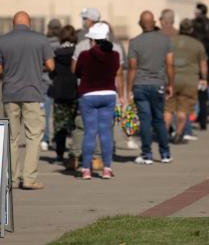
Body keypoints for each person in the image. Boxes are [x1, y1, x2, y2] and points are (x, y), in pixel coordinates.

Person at [0, 11, 54, 190]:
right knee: (33, 136)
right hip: (33, 92)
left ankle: (11, 179)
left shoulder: (2, 41)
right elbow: (51, 65)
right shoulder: (40, 39)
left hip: (10, 94)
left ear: (13, 23)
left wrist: (10, 69)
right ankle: (29, 178)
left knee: (12, 137)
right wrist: (36, 65)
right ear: (30, 23)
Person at [74, 22, 122, 179]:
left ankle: (86, 169)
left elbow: (78, 73)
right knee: (106, 132)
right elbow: (116, 71)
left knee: (90, 132)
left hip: (88, 95)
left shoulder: (84, 56)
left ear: (93, 40)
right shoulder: (115, 55)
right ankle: (107, 168)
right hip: (108, 94)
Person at [127, 11, 174, 165]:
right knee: (159, 119)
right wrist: (171, 84)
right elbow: (169, 64)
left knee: (145, 121)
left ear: (140, 24)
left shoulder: (134, 42)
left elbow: (132, 68)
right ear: (154, 22)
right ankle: (165, 153)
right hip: (158, 84)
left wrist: (129, 89)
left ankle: (147, 155)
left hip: (140, 84)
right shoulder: (164, 40)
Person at [164, 19, 208, 144]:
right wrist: (204, 78)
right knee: (183, 109)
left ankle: (164, 135)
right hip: (189, 80)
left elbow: (164, 60)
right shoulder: (197, 44)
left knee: (167, 109)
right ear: (191, 30)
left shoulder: (170, 41)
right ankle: (178, 134)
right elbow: (203, 65)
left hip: (171, 79)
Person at [50, 25, 77, 162]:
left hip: (59, 90)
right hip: (75, 90)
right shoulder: (77, 51)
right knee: (75, 124)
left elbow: (51, 71)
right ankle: (74, 153)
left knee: (60, 124)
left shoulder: (56, 52)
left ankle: (60, 154)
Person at [41, 18, 62, 151]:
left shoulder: (43, 43)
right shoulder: (61, 43)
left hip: (44, 81)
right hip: (58, 82)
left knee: (46, 114)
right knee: (58, 114)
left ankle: (45, 139)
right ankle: (56, 139)